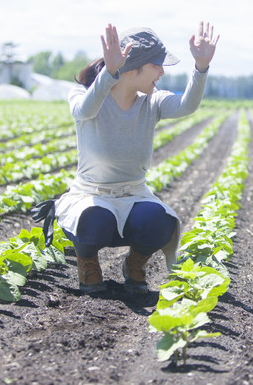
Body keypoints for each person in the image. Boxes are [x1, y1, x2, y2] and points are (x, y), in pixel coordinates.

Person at [54, 22, 220, 294]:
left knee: (160, 221)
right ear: (133, 68)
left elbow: (187, 105)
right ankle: (87, 263)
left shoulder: (151, 102)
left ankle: (135, 263)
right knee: (95, 220)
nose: (162, 73)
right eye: (157, 66)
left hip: (133, 193)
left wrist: (201, 67)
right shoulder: (84, 94)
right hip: (91, 194)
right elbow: (84, 112)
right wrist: (109, 73)